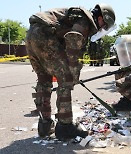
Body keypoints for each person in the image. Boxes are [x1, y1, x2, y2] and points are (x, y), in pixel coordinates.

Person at [25, 4, 116, 140]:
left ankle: (44, 125)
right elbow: (73, 39)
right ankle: (65, 126)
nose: (103, 28)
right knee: (66, 79)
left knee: (44, 80)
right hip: (45, 36)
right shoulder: (85, 19)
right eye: (105, 25)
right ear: (101, 17)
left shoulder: (76, 16)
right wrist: (73, 71)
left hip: (31, 36)